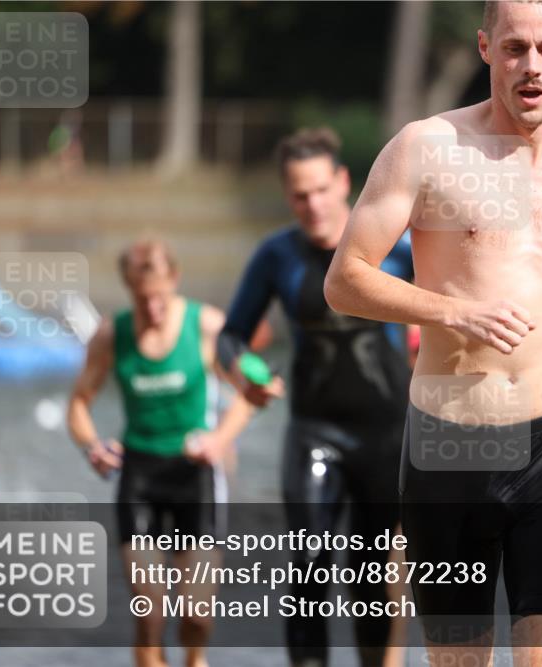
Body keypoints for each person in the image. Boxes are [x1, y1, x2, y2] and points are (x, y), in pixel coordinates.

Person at [324, 1, 542, 666]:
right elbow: (345, 279)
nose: (530, 65)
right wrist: (452, 310)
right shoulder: (428, 148)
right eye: (515, 48)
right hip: (448, 442)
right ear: (486, 48)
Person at [217, 128, 415, 667]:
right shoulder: (277, 256)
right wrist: (245, 376)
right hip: (314, 431)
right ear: (288, 195)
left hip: (388, 434)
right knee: (308, 565)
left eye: (322, 189)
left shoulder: (398, 249)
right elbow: (231, 335)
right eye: (300, 194)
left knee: (372, 577)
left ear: (344, 182)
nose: (313, 204)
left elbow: (452, 311)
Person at [67, 238, 264, 667]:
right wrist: (92, 447)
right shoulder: (110, 334)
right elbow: (79, 402)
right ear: (128, 289)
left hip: (196, 475)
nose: (152, 310)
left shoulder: (207, 325)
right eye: (141, 300)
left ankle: (195, 659)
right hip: (139, 477)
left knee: (196, 613)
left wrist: (219, 439)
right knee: (150, 609)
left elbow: (249, 392)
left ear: (174, 279)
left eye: (159, 297)